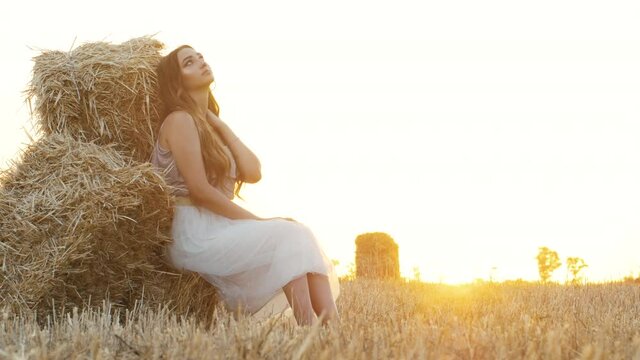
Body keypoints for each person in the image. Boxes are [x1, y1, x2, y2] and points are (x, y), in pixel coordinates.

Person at [150, 44, 340, 327]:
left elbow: (253, 172)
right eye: (189, 62)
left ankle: (331, 330)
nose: (201, 62)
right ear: (178, 83)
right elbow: (201, 192)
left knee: (297, 233)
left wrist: (219, 124)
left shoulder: (208, 126)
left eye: (200, 56)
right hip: (193, 233)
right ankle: (312, 331)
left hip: (218, 225)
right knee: (287, 234)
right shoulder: (179, 121)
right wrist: (262, 222)